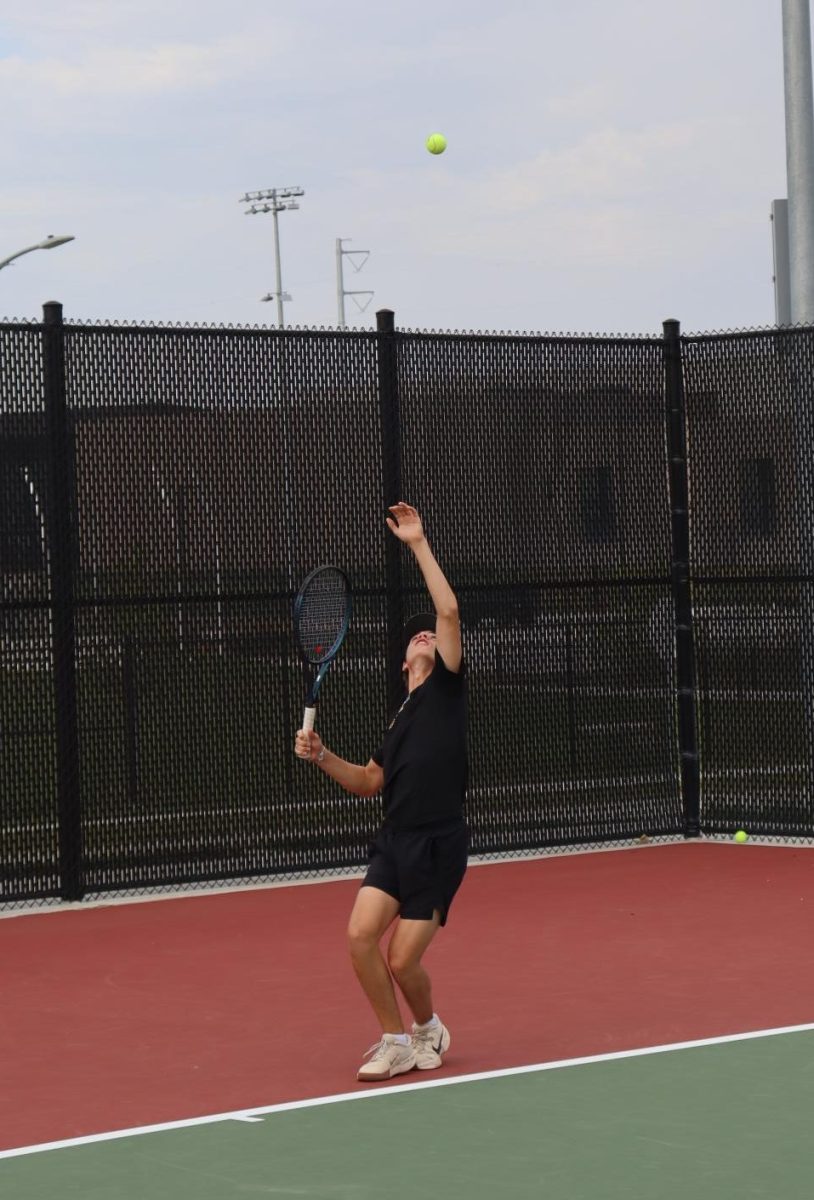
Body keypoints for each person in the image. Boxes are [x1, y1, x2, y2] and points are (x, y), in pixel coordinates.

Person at [294, 501, 469, 1082]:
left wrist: (418, 542)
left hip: (438, 843)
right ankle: (395, 1040)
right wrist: (323, 756)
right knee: (359, 937)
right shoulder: (396, 722)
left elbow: (447, 608)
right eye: (416, 637)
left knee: (402, 959)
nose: (426, 633)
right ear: (402, 663)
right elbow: (369, 782)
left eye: (431, 636)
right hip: (395, 840)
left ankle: (429, 1028)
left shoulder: (445, 689)